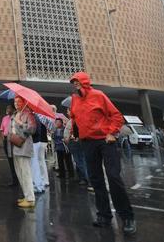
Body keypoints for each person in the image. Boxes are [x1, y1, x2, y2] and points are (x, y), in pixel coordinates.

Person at [70, 72, 136, 235]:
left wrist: (112, 133)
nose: (75, 84)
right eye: (73, 82)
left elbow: (116, 116)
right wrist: (75, 133)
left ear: (85, 81)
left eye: (77, 81)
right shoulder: (74, 99)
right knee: (96, 179)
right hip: (87, 143)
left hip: (105, 141)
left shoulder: (98, 95)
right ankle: (104, 215)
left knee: (113, 177)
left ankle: (127, 217)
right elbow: (75, 118)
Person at [10, 96, 36, 208]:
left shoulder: (28, 114)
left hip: (24, 146)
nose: (16, 104)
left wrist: (20, 122)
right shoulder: (16, 114)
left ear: (24, 102)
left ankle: (30, 199)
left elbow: (32, 129)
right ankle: (26, 196)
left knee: (26, 173)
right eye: (15, 102)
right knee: (20, 174)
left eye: (19, 102)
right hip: (16, 146)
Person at [64, 113, 93, 191]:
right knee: (80, 161)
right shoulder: (74, 120)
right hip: (76, 142)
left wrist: (70, 137)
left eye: (68, 110)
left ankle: (90, 180)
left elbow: (74, 131)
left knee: (80, 161)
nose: (67, 112)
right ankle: (82, 178)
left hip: (75, 142)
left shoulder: (75, 120)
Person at [31, 111, 50, 193]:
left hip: (39, 140)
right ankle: (44, 180)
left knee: (38, 161)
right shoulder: (44, 117)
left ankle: (42, 181)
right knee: (41, 161)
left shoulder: (36, 116)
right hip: (43, 140)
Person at [0, 105, 18, 186]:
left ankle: (18, 179)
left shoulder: (16, 118)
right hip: (6, 140)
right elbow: (1, 129)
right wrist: (3, 138)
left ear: (13, 109)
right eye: (7, 108)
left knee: (16, 161)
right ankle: (14, 180)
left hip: (13, 139)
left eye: (9, 108)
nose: (7, 109)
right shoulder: (4, 118)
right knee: (10, 160)